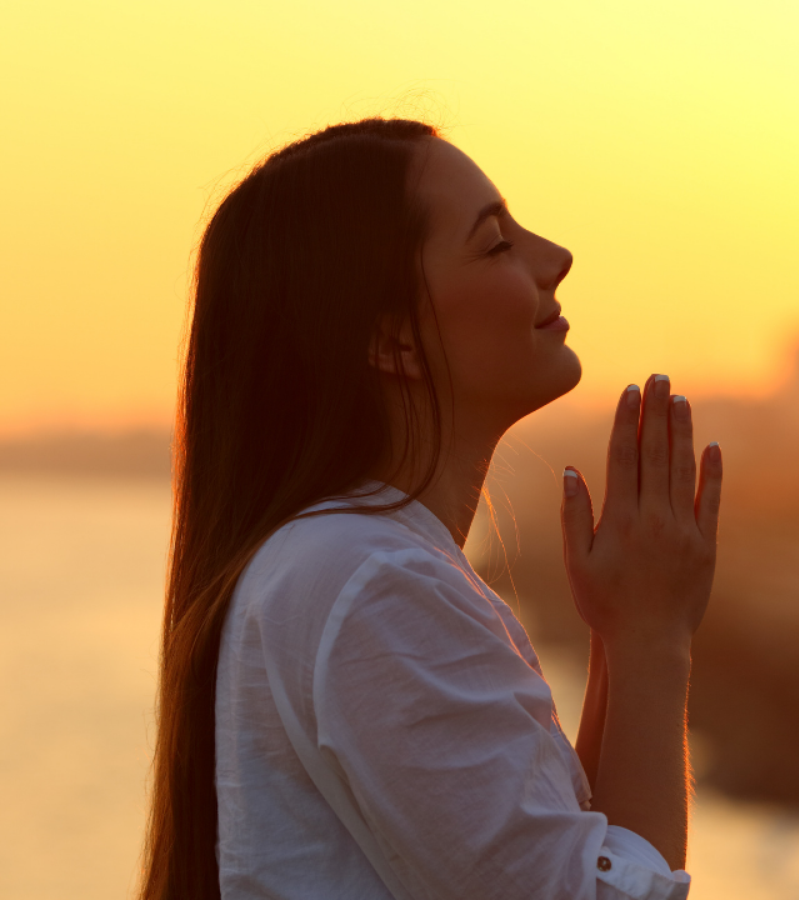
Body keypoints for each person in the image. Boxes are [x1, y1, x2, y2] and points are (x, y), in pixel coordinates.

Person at [140, 117, 723, 900]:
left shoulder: (343, 564)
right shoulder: (374, 579)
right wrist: (657, 640)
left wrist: (623, 641)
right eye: (496, 244)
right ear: (393, 341)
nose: (556, 259)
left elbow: (571, 859)